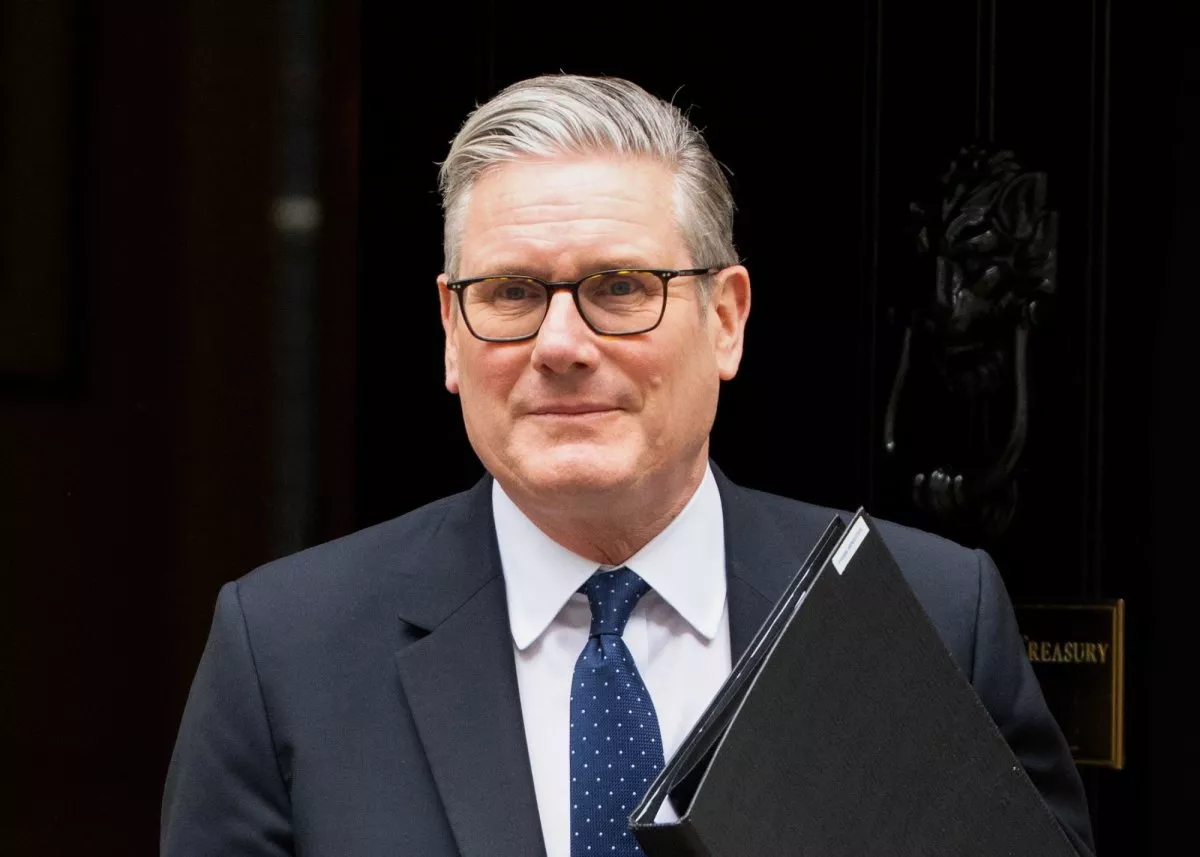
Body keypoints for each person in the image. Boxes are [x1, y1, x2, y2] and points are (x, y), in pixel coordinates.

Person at [161, 74, 1095, 857]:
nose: (561, 345)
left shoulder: (930, 612)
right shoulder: (287, 652)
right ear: (450, 330)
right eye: (512, 292)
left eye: (619, 287)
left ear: (726, 318)